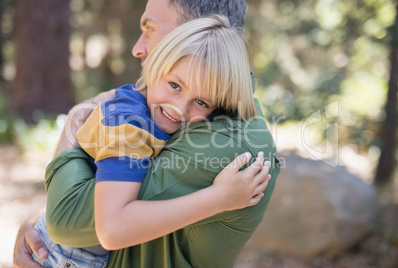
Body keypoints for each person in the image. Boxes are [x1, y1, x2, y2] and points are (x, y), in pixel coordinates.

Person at [14, 0, 281, 267]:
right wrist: (219, 199)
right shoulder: (131, 123)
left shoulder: (222, 138)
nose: (137, 48)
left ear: (192, 33)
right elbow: (88, 222)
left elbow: (75, 213)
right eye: (175, 85)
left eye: (151, 29)